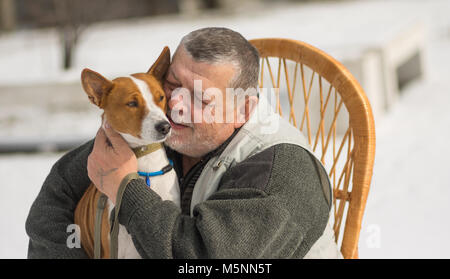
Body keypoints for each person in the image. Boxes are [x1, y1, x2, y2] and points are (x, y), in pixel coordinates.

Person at [26, 27, 342, 258]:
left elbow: (199, 259)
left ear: (242, 109)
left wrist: (127, 191)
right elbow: (55, 198)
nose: (175, 104)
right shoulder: (165, 132)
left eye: (199, 97)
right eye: (173, 83)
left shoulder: (281, 172)